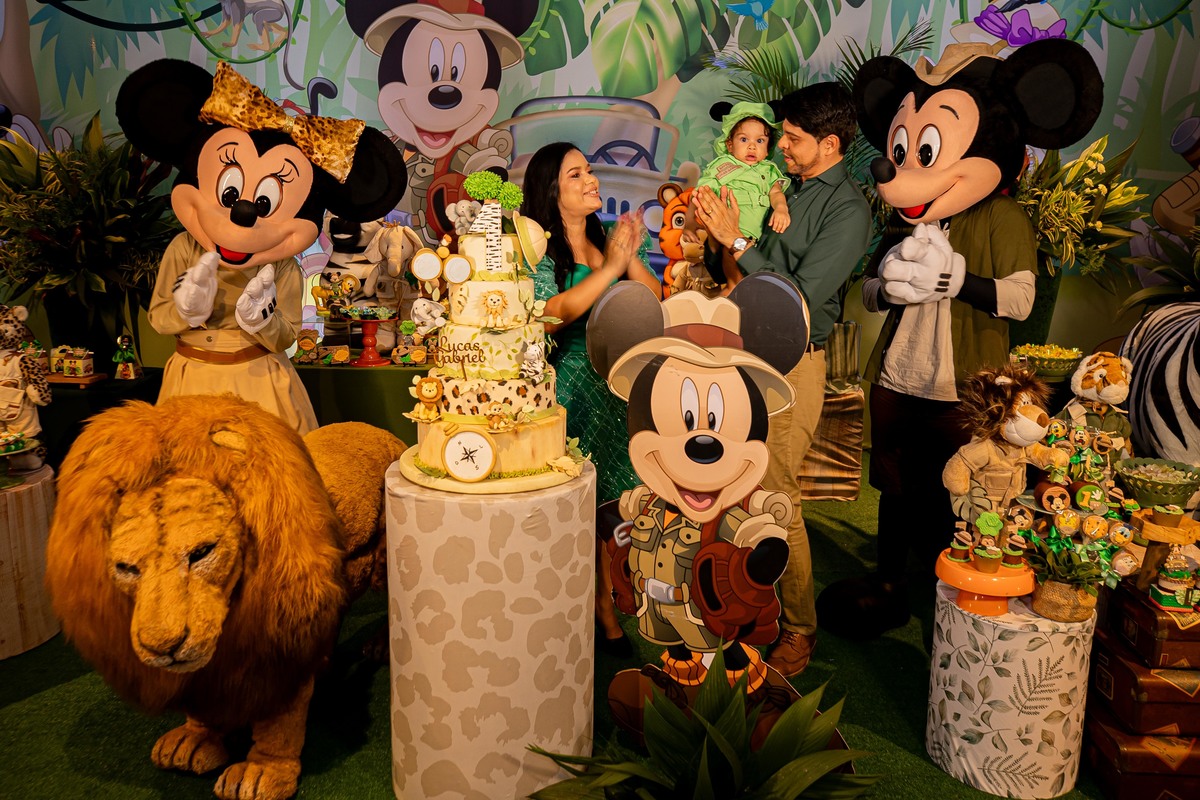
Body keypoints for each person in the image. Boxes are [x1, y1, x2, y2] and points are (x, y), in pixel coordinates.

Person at [692, 82, 872, 677]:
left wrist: (738, 240)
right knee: (736, 482)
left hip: (794, 361)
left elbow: (800, 295)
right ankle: (746, 603)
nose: (780, 146)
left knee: (776, 494)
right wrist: (715, 236)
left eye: (792, 138)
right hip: (747, 349)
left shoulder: (848, 210)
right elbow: (748, 259)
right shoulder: (786, 186)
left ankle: (799, 629)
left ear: (830, 143)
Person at [521, 141, 662, 655]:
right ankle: (584, 611)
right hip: (571, 385)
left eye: (590, 171)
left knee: (615, 507)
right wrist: (609, 268)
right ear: (550, 190)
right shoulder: (536, 248)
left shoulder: (609, 241)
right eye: (576, 175)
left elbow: (653, 301)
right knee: (578, 504)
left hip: (620, 385)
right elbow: (549, 313)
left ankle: (613, 601)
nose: (591, 181)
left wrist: (628, 257)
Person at [687, 102, 790, 243]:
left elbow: (776, 193)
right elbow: (699, 194)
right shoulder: (723, 165)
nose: (752, 146)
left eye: (760, 140)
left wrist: (781, 208)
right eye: (744, 139)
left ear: (768, 149)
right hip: (720, 232)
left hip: (753, 239)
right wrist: (689, 223)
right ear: (730, 145)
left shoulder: (769, 170)